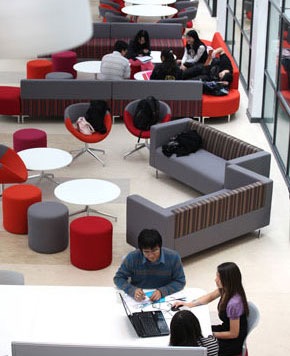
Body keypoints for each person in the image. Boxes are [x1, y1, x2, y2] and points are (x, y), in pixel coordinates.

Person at [173, 262, 249, 356]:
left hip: (233, 342)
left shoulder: (234, 303)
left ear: (227, 280)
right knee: (197, 331)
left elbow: (234, 334)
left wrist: (211, 334)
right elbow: (209, 297)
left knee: (200, 342)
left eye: (219, 277)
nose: (215, 280)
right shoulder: (225, 289)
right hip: (225, 328)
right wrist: (188, 304)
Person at [113, 228, 186, 302]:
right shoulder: (132, 257)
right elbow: (118, 278)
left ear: (160, 247)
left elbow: (180, 281)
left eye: (155, 250)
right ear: (141, 250)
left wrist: (162, 291)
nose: (151, 255)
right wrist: (132, 290)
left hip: (165, 297)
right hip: (140, 298)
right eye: (146, 252)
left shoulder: (173, 257)